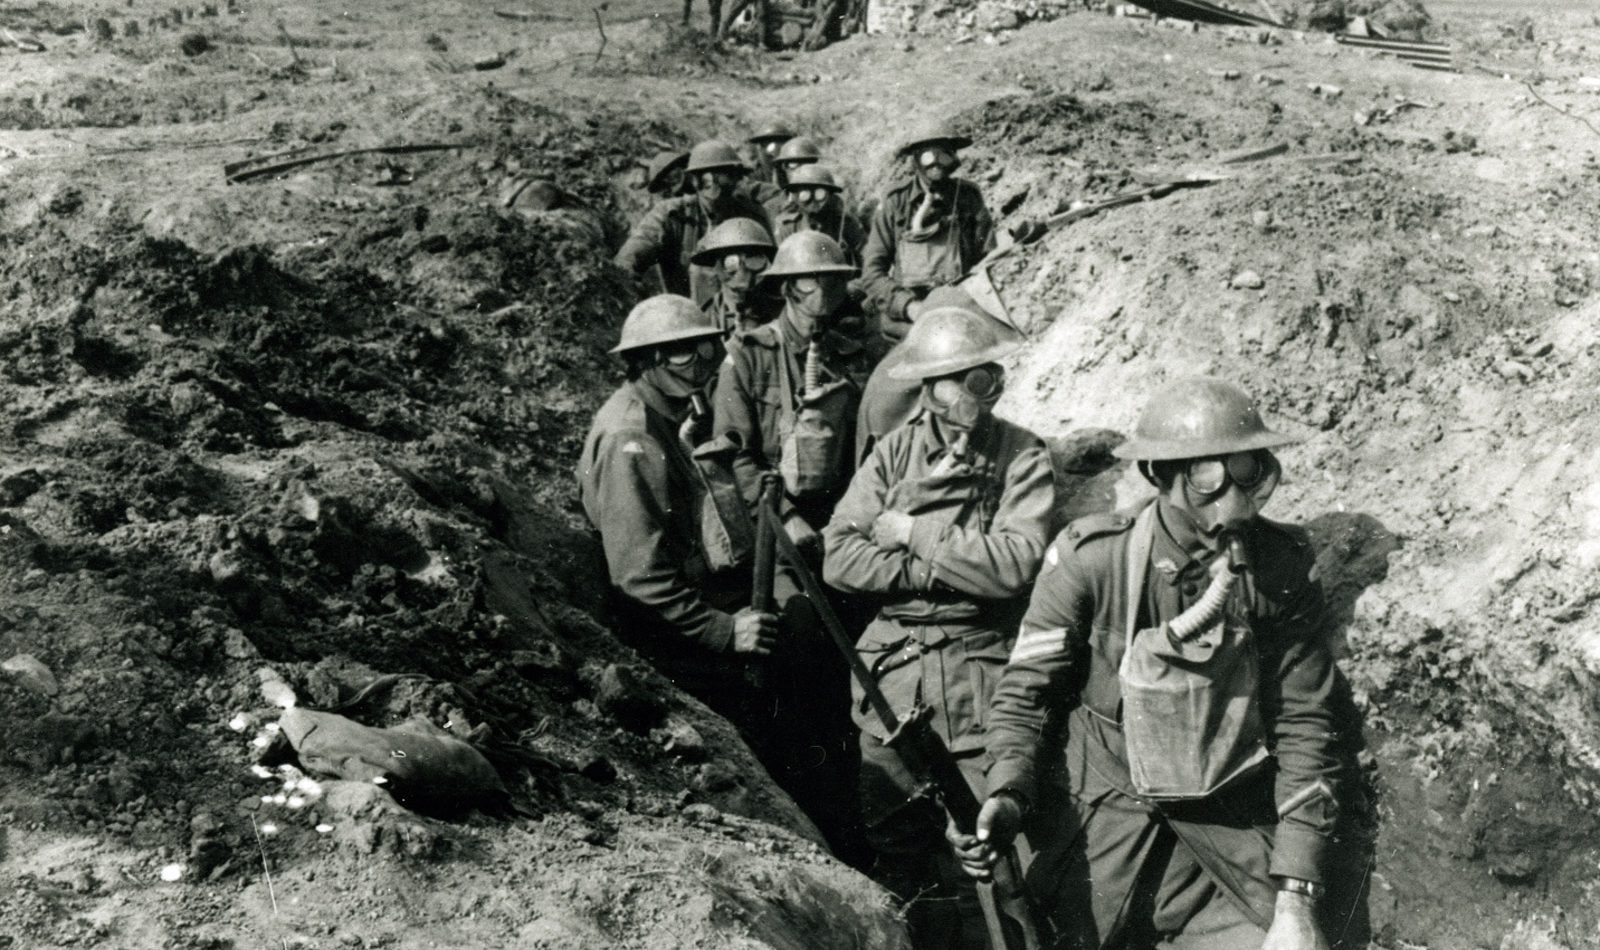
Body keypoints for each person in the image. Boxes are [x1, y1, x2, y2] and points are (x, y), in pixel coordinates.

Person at [956, 377, 1345, 950]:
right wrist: (1007, 791)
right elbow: (1026, 693)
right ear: (1160, 476)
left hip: (1223, 840)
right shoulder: (1095, 559)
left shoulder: (1279, 568)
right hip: (1097, 833)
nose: (1230, 497)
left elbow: (1305, 723)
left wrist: (1295, 896)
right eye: (1206, 476)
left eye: (1246, 471)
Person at [820, 305, 1055, 950]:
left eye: (989, 373)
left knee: (998, 858)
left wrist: (913, 532)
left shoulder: (1021, 455)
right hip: (892, 677)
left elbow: (1014, 564)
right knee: (901, 853)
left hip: (978, 677)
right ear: (929, 388)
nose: (984, 388)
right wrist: (935, 566)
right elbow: (839, 557)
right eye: (964, 377)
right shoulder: (892, 455)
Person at [712, 231, 883, 863]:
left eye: (839, 281)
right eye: (819, 282)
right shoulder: (750, 355)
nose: (832, 292)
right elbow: (733, 450)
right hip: (775, 531)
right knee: (798, 647)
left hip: (838, 524)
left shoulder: (845, 352)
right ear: (790, 288)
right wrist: (783, 512)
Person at [576, 295, 776, 727]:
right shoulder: (633, 439)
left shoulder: (665, 415)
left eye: (706, 348)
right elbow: (638, 576)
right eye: (685, 352)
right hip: (666, 636)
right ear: (647, 360)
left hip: (689, 604)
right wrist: (724, 631)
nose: (701, 364)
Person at [861, 124, 995, 343]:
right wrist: (908, 306)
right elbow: (872, 272)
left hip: (960, 308)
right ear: (915, 160)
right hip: (910, 318)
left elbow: (988, 257)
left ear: (954, 159)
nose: (936, 164)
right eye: (927, 156)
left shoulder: (968, 196)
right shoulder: (896, 201)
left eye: (944, 155)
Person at [615, 141, 771, 305]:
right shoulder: (671, 215)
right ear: (695, 180)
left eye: (724, 174)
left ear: (736, 178)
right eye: (706, 177)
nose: (714, 184)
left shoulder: (753, 214)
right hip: (689, 320)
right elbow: (627, 261)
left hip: (744, 315)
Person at [691, 217, 782, 336]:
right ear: (716, 266)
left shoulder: (781, 312)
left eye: (753, 259)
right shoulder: (704, 319)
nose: (743, 275)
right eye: (731, 263)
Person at [774, 164, 866, 266]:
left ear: (830, 194)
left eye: (820, 193)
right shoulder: (788, 227)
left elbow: (867, 256)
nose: (813, 201)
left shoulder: (845, 223)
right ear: (796, 195)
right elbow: (781, 267)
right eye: (805, 193)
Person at [746, 122, 798, 202]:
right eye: (764, 145)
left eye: (779, 144)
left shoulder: (796, 170)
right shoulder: (752, 175)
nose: (770, 152)